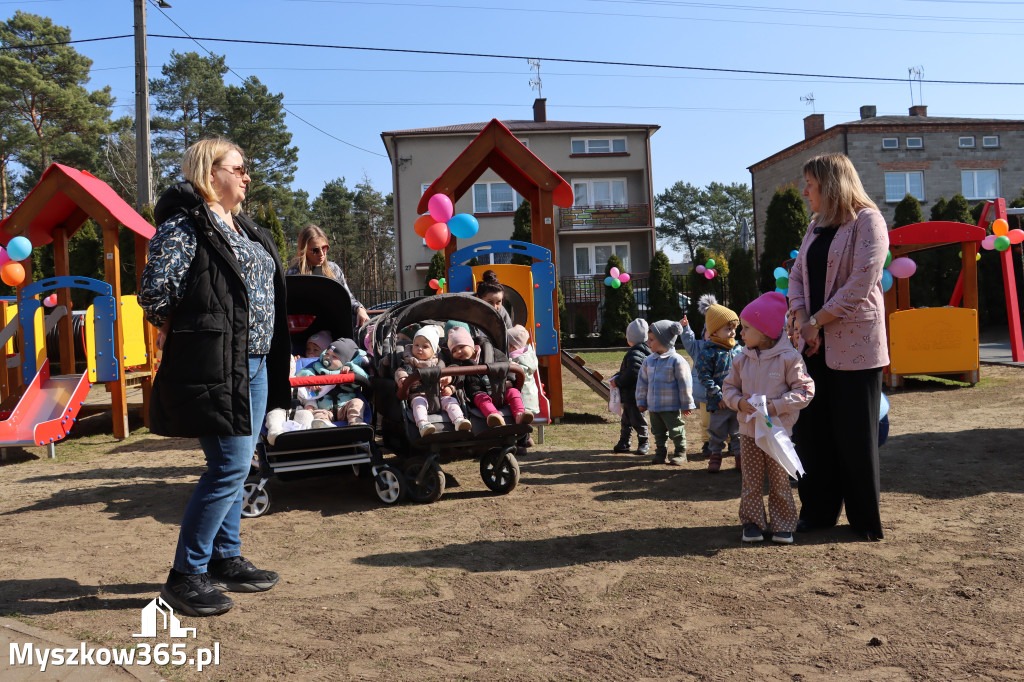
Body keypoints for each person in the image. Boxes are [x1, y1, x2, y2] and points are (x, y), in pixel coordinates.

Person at [139, 137, 290, 617]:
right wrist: (184, 329)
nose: (247, 176)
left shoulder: (241, 227)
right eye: (238, 168)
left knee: (241, 465)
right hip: (219, 363)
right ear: (210, 172)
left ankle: (225, 558)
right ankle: (185, 576)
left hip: (258, 361)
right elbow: (154, 292)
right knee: (226, 467)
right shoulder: (185, 226)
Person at [788, 152, 889, 542]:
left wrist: (815, 322)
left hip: (855, 349)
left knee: (854, 436)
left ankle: (864, 521)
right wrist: (801, 318)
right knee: (812, 435)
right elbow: (797, 276)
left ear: (830, 185)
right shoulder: (815, 225)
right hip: (812, 347)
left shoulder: (869, 221)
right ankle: (818, 513)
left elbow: (861, 284)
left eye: (810, 185)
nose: (805, 192)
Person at [724, 292, 815, 544]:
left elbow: (805, 390)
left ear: (764, 331)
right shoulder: (742, 358)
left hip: (777, 433)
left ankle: (783, 524)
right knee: (751, 480)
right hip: (748, 432)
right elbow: (728, 388)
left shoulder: (789, 358)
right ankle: (752, 523)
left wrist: (776, 407)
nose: (741, 333)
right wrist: (739, 403)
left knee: (779, 480)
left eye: (746, 328)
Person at [448, 325, 532, 428]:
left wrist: (509, 380)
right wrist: (451, 378)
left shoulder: (492, 353)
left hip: (500, 389)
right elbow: (458, 376)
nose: (458, 352)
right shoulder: (459, 364)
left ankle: (520, 415)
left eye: (461, 347)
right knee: (482, 399)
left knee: (513, 392)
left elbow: (506, 365)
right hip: (478, 393)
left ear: (471, 344)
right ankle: (494, 416)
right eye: (454, 351)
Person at [635, 320, 694, 465]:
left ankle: (681, 452)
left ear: (664, 340)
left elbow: (685, 384)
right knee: (657, 431)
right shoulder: (648, 361)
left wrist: (687, 404)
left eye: (652, 339)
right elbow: (642, 383)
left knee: (676, 429)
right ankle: (661, 451)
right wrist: (641, 401)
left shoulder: (677, 361)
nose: (648, 342)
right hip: (654, 407)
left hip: (671, 406)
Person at [287, 224, 370, 328]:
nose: (321, 253)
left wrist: (360, 309)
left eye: (324, 248)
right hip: (308, 330)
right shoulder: (294, 274)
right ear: (304, 250)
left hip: (336, 326)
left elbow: (347, 298)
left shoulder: (333, 269)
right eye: (315, 250)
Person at [395, 326, 472, 436]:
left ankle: (459, 420)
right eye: (416, 345)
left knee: (451, 401)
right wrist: (402, 378)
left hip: (438, 395)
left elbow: (450, 378)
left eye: (425, 346)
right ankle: (423, 425)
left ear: (433, 350)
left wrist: (449, 386)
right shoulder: (409, 362)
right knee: (418, 405)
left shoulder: (439, 363)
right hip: (418, 394)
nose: (419, 349)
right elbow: (400, 371)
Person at [695, 302, 742, 473]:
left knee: (738, 431)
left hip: (737, 400)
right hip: (719, 402)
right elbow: (704, 375)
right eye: (727, 329)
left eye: (734, 328)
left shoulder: (738, 349)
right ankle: (715, 456)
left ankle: (739, 457)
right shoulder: (709, 351)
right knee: (716, 430)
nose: (732, 332)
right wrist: (718, 395)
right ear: (714, 331)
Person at [680, 294, 717, 457]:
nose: (711, 335)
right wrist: (686, 328)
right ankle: (707, 442)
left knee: (727, 420)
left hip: (722, 393)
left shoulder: (726, 349)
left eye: (715, 331)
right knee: (706, 421)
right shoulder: (698, 347)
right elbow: (688, 342)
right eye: (708, 332)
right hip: (703, 392)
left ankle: (731, 442)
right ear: (703, 334)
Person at [610, 318, 652, 455]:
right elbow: (629, 370)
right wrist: (618, 375)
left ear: (630, 338)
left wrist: (619, 381)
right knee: (626, 419)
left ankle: (644, 441)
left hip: (635, 395)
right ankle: (624, 441)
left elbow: (633, 372)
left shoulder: (635, 353)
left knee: (638, 419)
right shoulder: (641, 351)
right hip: (632, 395)